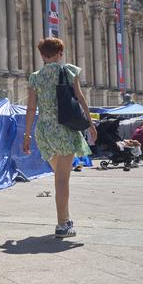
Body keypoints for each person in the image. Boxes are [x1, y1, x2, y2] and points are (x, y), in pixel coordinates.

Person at [23, 38, 96, 239]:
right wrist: (90, 123)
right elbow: (80, 98)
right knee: (62, 180)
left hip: (44, 131)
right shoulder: (69, 71)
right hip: (64, 129)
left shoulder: (35, 77)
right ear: (60, 53)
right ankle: (62, 224)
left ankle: (66, 217)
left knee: (60, 175)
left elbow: (31, 109)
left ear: (42, 56)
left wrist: (27, 135)